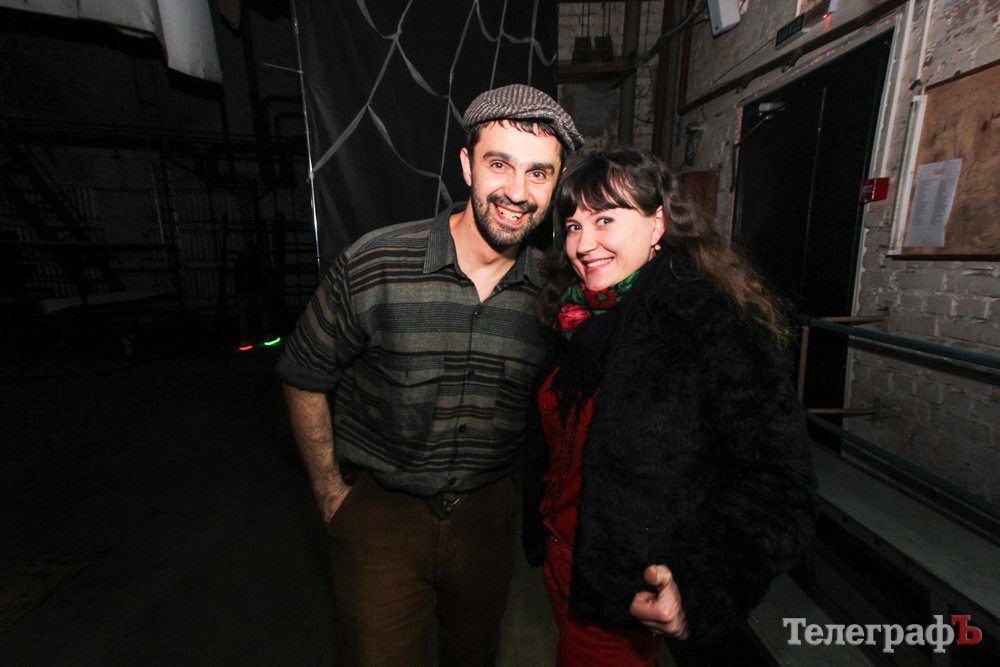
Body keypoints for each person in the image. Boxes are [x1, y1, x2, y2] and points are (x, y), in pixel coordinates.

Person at [276, 84, 583, 666]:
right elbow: (303, 372)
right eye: (500, 164)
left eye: (539, 173)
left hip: (487, 521)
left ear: (556, 183)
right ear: (467, 165)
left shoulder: (555, 290)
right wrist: (332, 497)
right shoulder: (376, 263)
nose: (518, 192)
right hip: (380, 519)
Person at [523, 147, 817, 666]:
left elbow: (778, 482)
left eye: (605, 220)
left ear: (657, 223)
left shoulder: (709, 321)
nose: (583, 244)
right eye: (573, 226)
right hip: (560, 557)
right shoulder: (574, 315)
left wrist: (703, 583)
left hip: (621, 585)